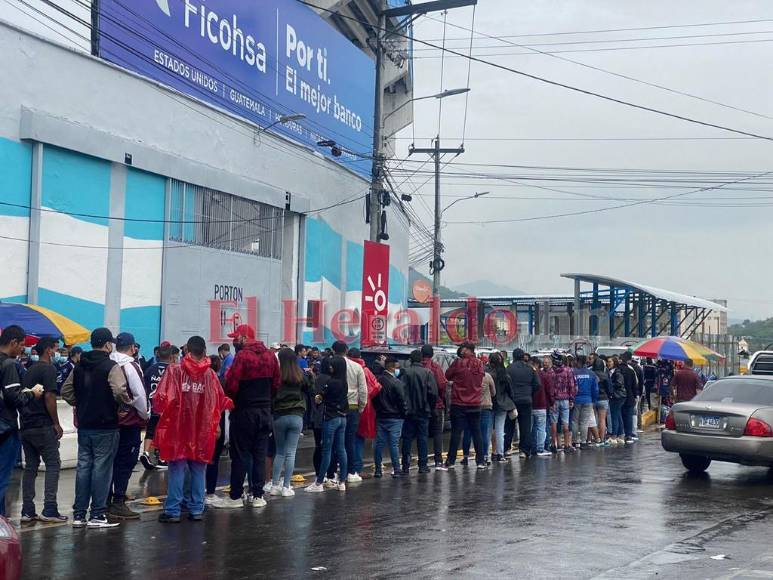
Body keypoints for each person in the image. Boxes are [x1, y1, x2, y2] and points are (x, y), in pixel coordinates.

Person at [154, 336, 233, 522]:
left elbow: (161, 399)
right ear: (204, 351)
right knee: (198, 468)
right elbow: (219, 402)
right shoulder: (210, 375)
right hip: (202, 430)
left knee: (177, 468)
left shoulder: (174, 371)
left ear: (187, 350)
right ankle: (196, 507)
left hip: (177, 428)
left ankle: (173, 510)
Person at [62, 328, 131, 528]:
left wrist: (81, 402)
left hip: (85, 425)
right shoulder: (111, 366)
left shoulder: (79, 366)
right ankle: (98, 514)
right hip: (106, 424)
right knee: (102, 469)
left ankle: (79, 514)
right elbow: (119, 389)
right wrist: (124, 405)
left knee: (84, 467)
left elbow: (66, 390)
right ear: (108, 345)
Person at [219, 325, 280, 508]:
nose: (233, 341)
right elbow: (276, 383)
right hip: (264, 411)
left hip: (245, 412)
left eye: (236, 338)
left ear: (244, 338)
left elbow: (232, 384)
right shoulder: (270, 355)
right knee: (259, 454)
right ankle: (258, 495)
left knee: (240, 454)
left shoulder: (242, 356)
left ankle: (236, 496)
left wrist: (233, 401)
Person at [19, 336, 66, 523]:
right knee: (53, 464)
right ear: (48, 350)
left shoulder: (29, 370)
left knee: (30, 467)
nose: (56, 353)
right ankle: (50, 508)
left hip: (26, 424)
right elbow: (49, 397)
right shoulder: (49, 369)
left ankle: (27, 510)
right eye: (55, 349)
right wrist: (56, 422)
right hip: (43, 425)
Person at [106, 332, 149, 521]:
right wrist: (145, 414)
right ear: (133, 347)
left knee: (107, 462)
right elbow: (139, 395)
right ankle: (118, 501)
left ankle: (104, 499)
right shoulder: (130, 365)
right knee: (126, 462)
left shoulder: (107, 362)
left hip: (107, 421)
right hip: (128, 422)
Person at [269, 348, 312, 497]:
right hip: (296, 416)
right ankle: (286, 486)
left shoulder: (277, 375)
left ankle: (274, 485)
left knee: (279, 452)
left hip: (279, 416)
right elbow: (310, 387)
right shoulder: (300, 374)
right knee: (290, 453)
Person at [306, 356, 349, 493]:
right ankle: (342, 481)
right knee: (341, 449)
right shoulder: (344, 382)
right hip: (342, 417)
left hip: (330, 418)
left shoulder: (331, 382)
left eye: (332, 365)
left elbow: (320, 398)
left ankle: (319, 483)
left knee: (326, 450)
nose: (330, 367)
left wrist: (318, 397)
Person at [443, 342, 485, 470]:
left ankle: (450, 461)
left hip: (459, 403)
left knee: (456, 433)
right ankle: (480, 461)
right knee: (477, 432)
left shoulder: (458, 363)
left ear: (468, 349)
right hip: (475, 403)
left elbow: (447, 375)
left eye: (463, 348)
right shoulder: (480, 364)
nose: (461, 350)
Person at [333, 341, 367, 483]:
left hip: (334, 407)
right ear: (346, 350)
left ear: (333, 350)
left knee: (334, 441)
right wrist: (361, 407)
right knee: (350, 440)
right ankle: (351, 471)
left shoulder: (331, 365)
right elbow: (363, 390)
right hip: (352, 407)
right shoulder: (357, 367)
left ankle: (333, 472)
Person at [400, 350, 438, 474]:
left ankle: (405, 465)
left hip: (409, 411)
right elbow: (433, 393)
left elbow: (401, 391)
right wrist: (430, 407)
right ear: (421, 359)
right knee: (422, 438)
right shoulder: (427, 373)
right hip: (423, 410)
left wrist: (404, 407)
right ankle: (423, 465)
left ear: (410, 359)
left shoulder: (405, 372)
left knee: (407, 438)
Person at [140, 341, 175, 471]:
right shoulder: (173, 370)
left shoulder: (150, 369)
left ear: (158, 355)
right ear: (171, 357)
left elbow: (144, 386)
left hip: (152, 406)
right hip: (167, 409)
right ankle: (162, 457)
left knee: (150, 431)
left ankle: (146, 453)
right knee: (165, 432)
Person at [348, 348, 381, 480]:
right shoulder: (365, 370)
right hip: (363, 407)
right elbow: (376, 387)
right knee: (359, 439)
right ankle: (357, 469)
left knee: (346, 439)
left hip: (346, 406)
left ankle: (347, 469)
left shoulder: (345, 367)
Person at [372, 357, 407, 478]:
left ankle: (377, 470)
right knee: (393, 444)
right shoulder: (397, 383)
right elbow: (402, 401)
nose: (398, 370)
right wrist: (403, 414)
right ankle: (397, 469)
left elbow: (373, 398)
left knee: (379, 444)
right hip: (395, 417)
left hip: (381, 416)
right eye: (397, 367)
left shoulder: (377, 381)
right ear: (392, 367)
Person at [507, 348, 541, 458]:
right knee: (525, 426)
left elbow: (505, 384)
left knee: (509, 425)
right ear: (523, 357)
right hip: (526, 400)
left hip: (512, 401)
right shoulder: (530, 369)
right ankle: (524, 450)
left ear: (514, 357)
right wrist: (530, 392)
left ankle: (507, 448)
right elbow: (538, 384)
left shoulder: (509, 369)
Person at [421, 345, 448, 470]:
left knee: (422, 434)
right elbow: (442, 385)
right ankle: (438, 461)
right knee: (437, 433)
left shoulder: (415, 367)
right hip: (436, 405)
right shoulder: (436, 367)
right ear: (432, 354)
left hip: (420, 406)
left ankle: (423, 462)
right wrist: (440, 398)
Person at [462, 368, 495, 466]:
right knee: (483, 433)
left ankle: (465, 456)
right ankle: (484, 455)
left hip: (470, 406)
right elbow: (493, 392)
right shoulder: (487, 376)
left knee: (467, 432)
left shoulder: (467, 376)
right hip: (485, 407)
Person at [547, 351, 578, 453]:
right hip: (565, 400)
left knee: (554, 423)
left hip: (554, 400)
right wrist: (571, 399)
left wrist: (550, 400)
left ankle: (554, 444)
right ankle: (567, 444)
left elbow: (549, 388)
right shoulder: (568, 371)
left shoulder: (550, 372)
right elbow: (573, 386)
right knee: (566, 422)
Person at [490, 352, 515, 463]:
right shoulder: (506, 375)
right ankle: (500, 454)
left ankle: (487, 455)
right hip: (503, 405)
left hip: (490, 404)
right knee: (500, 430)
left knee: (489, 430)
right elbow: (510, 392)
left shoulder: (488, 374)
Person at [570, 356, 599, 447]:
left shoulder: (573, 373)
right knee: (584, 422)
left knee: (575, 421)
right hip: (588, 400)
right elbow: (595, 389)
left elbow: (571, 387)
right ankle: (583, 441)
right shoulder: (591, 374)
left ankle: (575, 441)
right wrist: (594, 400)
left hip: (576, 400)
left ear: (578, 362)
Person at [530, 357, 553, 457]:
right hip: (542, 404)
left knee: (533, 427)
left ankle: (533, 448)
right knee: (541, 427)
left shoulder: (529, 375)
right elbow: (549, 390)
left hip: (531, 405)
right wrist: (551, 402)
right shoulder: (543, 375)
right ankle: (540, 448)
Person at [618, 352, 638, 444]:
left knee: (620, 415)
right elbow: (635, 385)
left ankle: (620, 433)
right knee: (629, 416)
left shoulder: (617, 370)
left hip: (619, 396)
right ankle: (628, 435)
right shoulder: (631, 371)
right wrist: (635, 396)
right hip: (630, 396)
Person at [592, 358, 612, 447]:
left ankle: (595, 438)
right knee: (602, 420)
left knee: (593, 419)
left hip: (593, 399)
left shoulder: (591, 374)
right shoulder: (605, 375)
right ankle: (602, 438)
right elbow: (609, 388)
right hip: (603, 399)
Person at [607, 357, 627, 445]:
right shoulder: (611, 371)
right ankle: (621, 435)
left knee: (614, 415)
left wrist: (610, 384)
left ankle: (614, 436)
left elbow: (619, 383)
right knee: (618, 415)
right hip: (619, 396)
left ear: (614, 362)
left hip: (617, 396)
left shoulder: (617, 372)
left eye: (610, 361)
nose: (608, 363)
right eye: (607, 362)